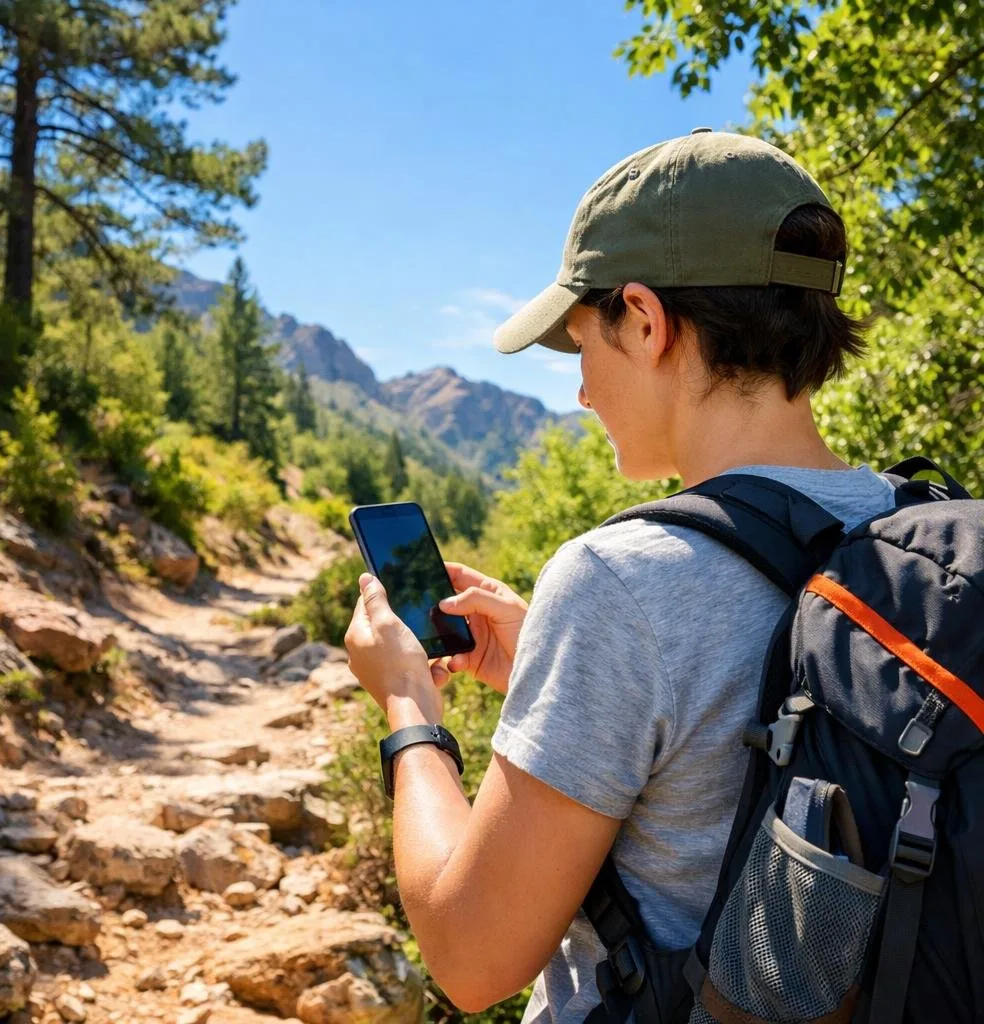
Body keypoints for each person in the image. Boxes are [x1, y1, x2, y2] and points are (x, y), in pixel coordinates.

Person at [343, 129, 897, 1021]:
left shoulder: (621, 582)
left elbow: (470, 957)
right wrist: (550, 669)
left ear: (644, 319)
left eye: (582, 346)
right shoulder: (908, 532)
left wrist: (409, 706)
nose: (582, 393)